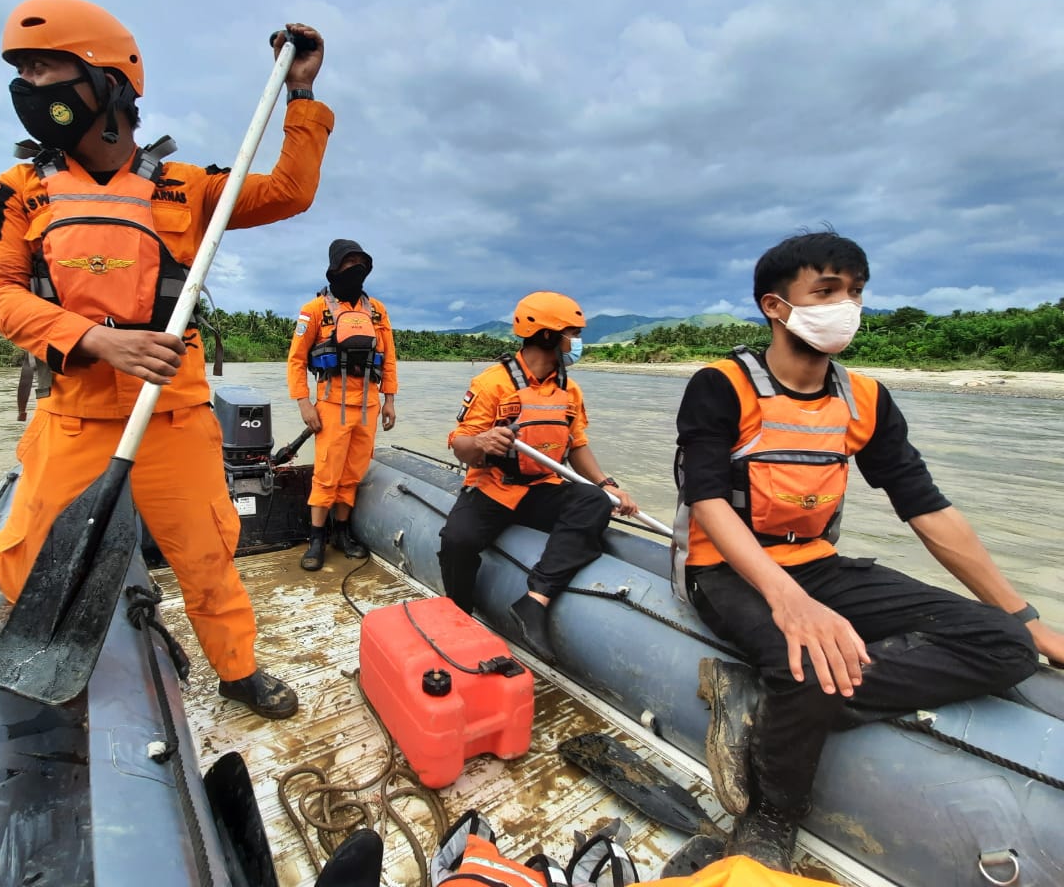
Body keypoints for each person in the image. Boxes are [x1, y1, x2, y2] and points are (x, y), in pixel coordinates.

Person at [0, 0, 335, 719]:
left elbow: (291, 192)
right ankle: (44, 647)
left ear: (106, 80)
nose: (29, 86)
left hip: (171, 416)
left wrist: (300, 93)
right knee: (24, 554)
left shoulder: (189, 186)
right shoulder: (17, 191)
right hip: (73, 413)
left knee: (207, 557)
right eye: (22, 70)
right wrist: (97, 340)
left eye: (46, 67)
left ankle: (236, 672)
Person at [672, 231, 1062, 871]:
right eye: (826, 291)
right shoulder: (722, 387)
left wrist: (1026, 617)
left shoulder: (867, 399)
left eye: (855, 292)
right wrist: (791, 603)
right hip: (729, 570)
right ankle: (772, 813)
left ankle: (785, 700)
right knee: (806, 662)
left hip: (820, 563)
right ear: (776, 306)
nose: (846, 307)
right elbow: (709, 503)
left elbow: (927, 509)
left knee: (1004, 645)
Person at [439, 291, 639, 661]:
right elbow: (460, 446)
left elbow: (577, 446)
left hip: (542, 488)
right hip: (492, 487)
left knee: (593, 501)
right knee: (457, 540)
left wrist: (607, 485)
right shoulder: (492, 383)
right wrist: (482, 440)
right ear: (548, 335)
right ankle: (458, 616)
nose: (576, 342)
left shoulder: (569, 391)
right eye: (572, 333)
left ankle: (535, 600)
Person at [286, 238, 397, 571]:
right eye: (349, 264)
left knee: (352, 474)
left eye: (361, 264)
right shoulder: (314, 310)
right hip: (331, 403)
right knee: (326, 474)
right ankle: (317, 537)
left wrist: (390, 399)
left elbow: (388, 357)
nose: (356, 270)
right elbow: (295, 360)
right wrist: (304, 404)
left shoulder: (377, 309)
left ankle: (343, 533)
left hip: (369, 404)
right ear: (335, 268)